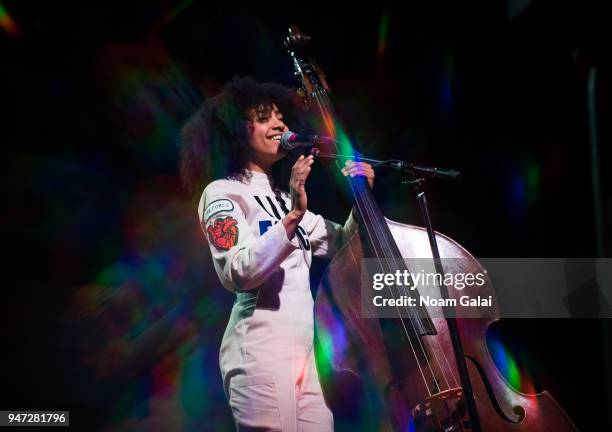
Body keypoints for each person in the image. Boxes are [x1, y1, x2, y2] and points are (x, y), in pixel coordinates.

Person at [179, 77, 374, 431]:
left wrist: (362, 197)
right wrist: (294, 217)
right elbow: (238, 271)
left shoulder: (285, 198)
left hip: (307, 356)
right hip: (260, 354)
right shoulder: (222, 193)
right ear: (237, 131)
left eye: (281, 118)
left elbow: (344, 243)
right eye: (266, 117)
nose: (280, 125)